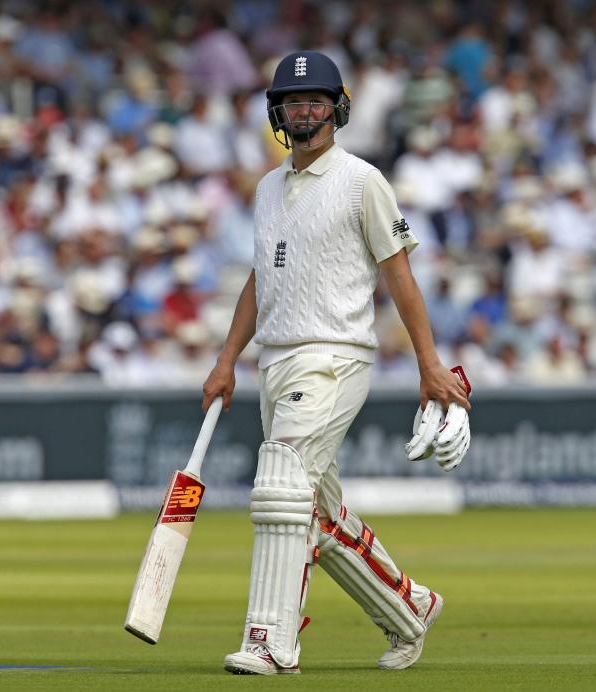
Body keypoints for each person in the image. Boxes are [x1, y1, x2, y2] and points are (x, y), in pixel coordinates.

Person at [201, 51, 472, 676]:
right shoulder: (269, 187)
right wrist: (226, 360)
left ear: (338, 107)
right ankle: (410, 607)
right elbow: (259, 280)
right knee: (316, 517)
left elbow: (399, 276)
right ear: (278, 112)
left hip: (335, 356)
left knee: (280, 489)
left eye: (316, 100)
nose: (304, 110)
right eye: (294, 101)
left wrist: (430, 366)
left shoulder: (362, 180)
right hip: (276, 358)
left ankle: (271, 642)